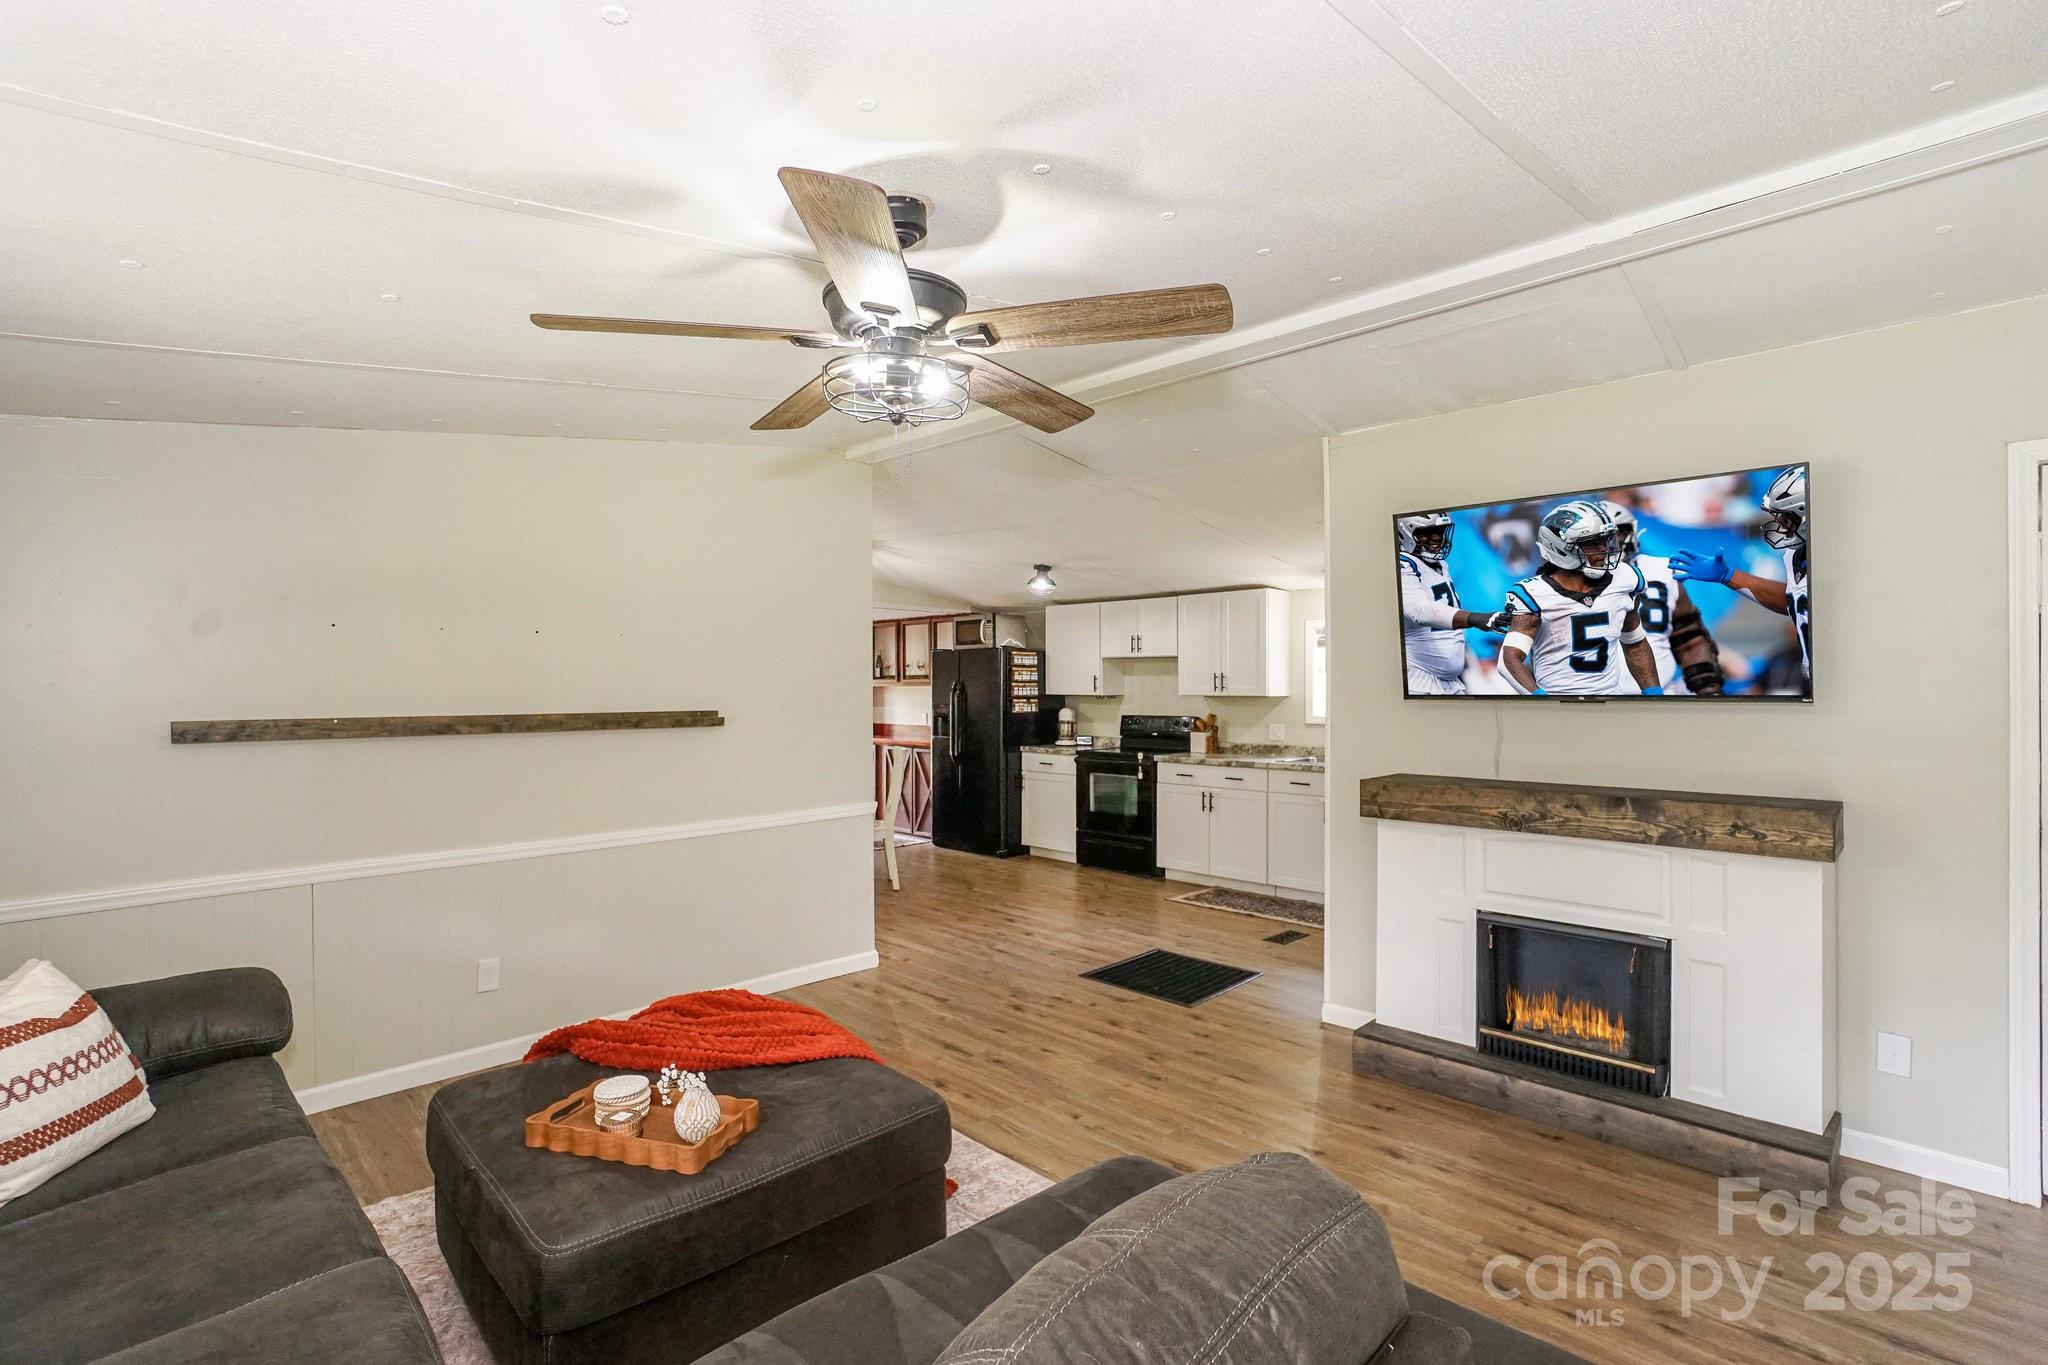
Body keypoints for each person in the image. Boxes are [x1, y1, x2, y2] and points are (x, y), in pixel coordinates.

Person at [1498, 500, 1662, 697]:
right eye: (1593, 542)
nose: (1604, 549)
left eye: (1605, 540)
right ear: (1561, 547)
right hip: (1560, 704)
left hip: (1612, 701)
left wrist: (1654, 692)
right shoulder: (1535, 594)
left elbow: (1635, 644)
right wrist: (1540, 699)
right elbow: (1509, 661)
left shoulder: (1625, 578)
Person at [1671, 466, 1810, 690]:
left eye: (1786, 517)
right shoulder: (1795, 555)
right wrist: (1729, 576)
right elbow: (1793, 599)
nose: (1780, 524)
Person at [1601, 499, 1724, 696]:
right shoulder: (1563, 582)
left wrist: (1708, 689)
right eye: (1598, 537)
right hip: (1591, 701)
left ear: (1631, 532)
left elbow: (1689, 638)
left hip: (1660, 698)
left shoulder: (1661, 571)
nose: (1607, 544)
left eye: (1615, 534)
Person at [1396, 511, 1508, 696]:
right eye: (1427, 532)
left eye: (1439, 531)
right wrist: (1474, 618)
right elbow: (1419, 611)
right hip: (1420, 681)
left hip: (1451, 682)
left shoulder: (1440, 564)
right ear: (1405, 533)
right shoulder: (1404, 565)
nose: (1436, 538)